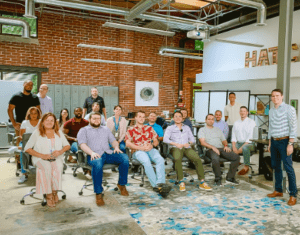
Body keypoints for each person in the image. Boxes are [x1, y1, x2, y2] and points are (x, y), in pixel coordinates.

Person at [77, 112, 129, 206]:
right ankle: (98, 193)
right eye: (94, 118)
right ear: (89, 119)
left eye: (99, 119)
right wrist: (91, 152)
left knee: (124, 158)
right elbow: (82, 144)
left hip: (107, 153)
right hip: (94, 155)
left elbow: (113, 141)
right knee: (98, 163)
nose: (97, 120)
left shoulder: (105, 129)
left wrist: (116, 147)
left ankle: (121, 184)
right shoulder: (83, 130)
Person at [24, 113, 70, 208]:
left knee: (58, 167)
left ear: (54, 122)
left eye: (51, 120)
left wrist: (60, 151)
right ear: (43, 122)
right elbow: (27, 149)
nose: (49, 122)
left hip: (56, 157)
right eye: (47, 120)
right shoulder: (37, 133)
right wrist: (43, 156)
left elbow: (67, 145)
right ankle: (48, 194)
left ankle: (54, 191)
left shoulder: (58, 132)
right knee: (46, 167)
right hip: (40, 158)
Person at [125, 111, 171, 197]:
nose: (142, 118)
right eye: (139, 116)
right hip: (137, 151)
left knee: (160, 160)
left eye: (143, 117)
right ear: (135, 118)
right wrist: (141, 148)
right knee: (146, 161)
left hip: (150, 149)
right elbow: (127, 143)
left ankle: (160, 183)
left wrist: (152, 145)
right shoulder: (131, 129)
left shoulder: (149, 128)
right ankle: (156, 186)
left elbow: (156, 141)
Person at [164, 111, 212, 192]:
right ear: (173, 118)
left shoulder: (186, 127)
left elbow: (192, 139)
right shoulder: (170, 128)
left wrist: (189, 143)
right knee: (177, 159)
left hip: (187, 147)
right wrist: (176, 144)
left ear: (183, 118)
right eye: (176, 116)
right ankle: (181, 181)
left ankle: (202, 182)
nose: (178, 118)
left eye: (180, 116)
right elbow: (165, 139)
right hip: (176, 147)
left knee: (197, 159)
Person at [267, 89, 298, 206]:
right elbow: (271, 127)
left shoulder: (289, 109)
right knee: (276, 167)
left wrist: (291, 144)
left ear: (282, 96)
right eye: (273, 96)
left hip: (285, 141)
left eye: (277, 96)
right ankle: (278, 190)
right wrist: (270, 143)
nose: (275, 98)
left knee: (288, 168)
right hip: (274, 141)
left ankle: (293, 194)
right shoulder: (271, 111)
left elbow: (293, 126)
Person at [198, 114, 240, 186]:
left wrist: (226, 146)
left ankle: (230, 177)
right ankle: (218, 178)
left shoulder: (217, 130)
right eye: (209, 119)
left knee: (236, 157)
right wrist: (212, 147)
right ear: (205, 120)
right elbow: (202, 142)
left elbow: (224, 140)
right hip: (209, 149)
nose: (211, 121)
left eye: (212, 119)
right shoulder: (202, 130)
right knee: (215, 158)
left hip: (221, 148)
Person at [18, 107, 41, 184]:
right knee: (22, 153)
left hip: (38, 143)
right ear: (29, 114)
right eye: (31, 113)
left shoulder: (41, 122)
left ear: (38, 114)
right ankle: (24, 174)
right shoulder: (25, 122)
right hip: (26, 143)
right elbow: (21, 136)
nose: (33, 115)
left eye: (35, 113)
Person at [231, 106, 256, 175]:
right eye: (241, 111)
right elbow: (233, 136)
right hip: (238, 143)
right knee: (228, 147)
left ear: (247, 113)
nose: (242, 113)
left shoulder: (251, 122)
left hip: (250, 144)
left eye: (244, 111)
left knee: (245, 148)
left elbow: (250, 138)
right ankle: (234, 163)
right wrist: (233, 146)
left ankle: (246, 166)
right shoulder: (236, 123)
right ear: (239, 112)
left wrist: (238, 151)